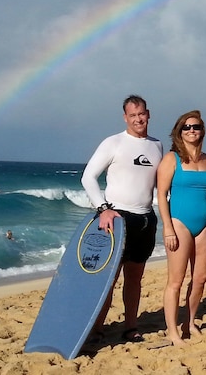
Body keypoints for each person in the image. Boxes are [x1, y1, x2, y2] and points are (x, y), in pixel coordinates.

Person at [81, 95, 163, 343]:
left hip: (146, 219)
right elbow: (88, 177)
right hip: (117, 218)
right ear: (125, 117)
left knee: (135, 278)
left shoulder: (157, 145)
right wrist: (103, 209)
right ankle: (96, 328)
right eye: (133, 115)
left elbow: (160, 185)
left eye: (141, 114)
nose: (138, 119)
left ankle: (130, 327)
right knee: (109, 278)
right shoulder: (113, 142)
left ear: (148, 114)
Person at [156, 110, 206, 346]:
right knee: (176, 281)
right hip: (179, 223)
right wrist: (167, 228)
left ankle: (189, 322)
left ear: (202, 131)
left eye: (196, 127)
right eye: (187, 127)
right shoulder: (172, 159)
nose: (192, 131)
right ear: (179, 131)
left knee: (200, 278)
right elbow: (161, 195)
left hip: (204, 224)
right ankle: (173, 332)